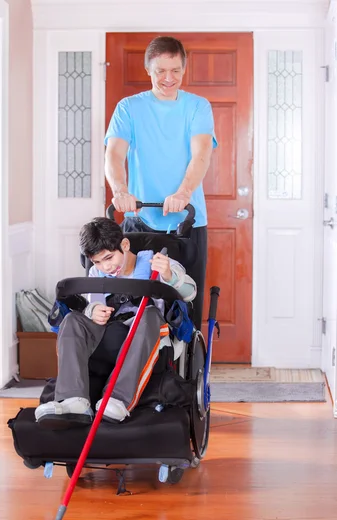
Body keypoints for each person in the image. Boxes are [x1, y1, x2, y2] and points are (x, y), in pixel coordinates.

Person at [35, 217, 196, 427]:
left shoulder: (156, 263)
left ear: (125, 245)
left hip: (149, 334)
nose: (106, 267)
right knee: (72, 319)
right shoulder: (97, 273)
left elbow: (191, 293)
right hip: (111, 334)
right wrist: (93, 311)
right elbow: (93, 307)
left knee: (148, 314)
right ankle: (74, 401)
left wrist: (169, 275)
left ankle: (118, 399)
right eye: (97, 262)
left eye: (109, 258)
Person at [104, 35, 217, 330]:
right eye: (160, 71)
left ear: (184, 68)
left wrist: (184, 192)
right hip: (139, 221)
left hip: (187, 222)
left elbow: (201, 154)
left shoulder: (197, 107)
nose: (169, 78)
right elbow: (114, 155)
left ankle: (185, 373)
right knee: (131, 304)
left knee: (186, 301)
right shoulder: (129, 108)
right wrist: (120, 191)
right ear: (148, 70)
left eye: (176, 70)